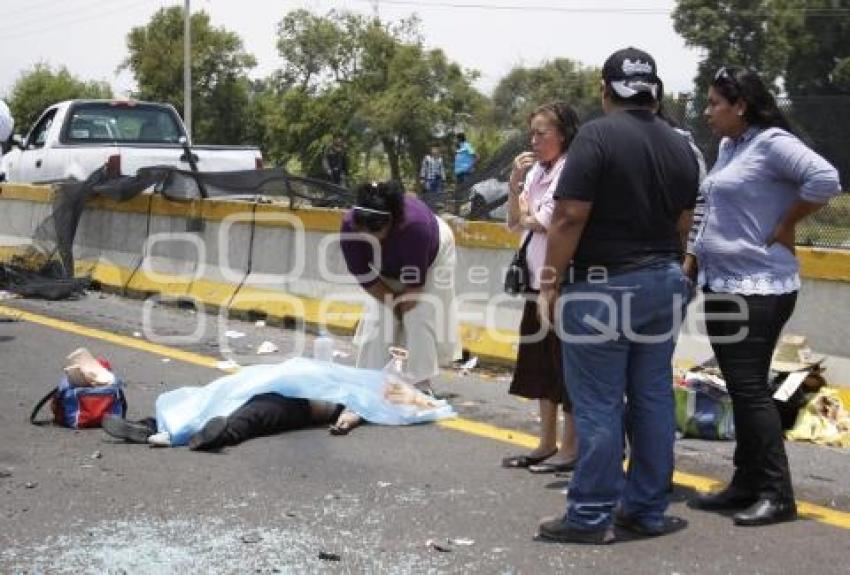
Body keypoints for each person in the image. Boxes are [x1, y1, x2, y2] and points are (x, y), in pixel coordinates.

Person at [536, 47, 699, 544]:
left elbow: (567, 217)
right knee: (651, 398)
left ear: (605, 91)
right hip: (664, 281)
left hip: (604, 287)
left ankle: (589, 517)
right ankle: (646, 510)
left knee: (599, 404)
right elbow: (684, 224)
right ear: (656, 91)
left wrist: (549, 282)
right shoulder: (681, 145)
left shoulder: (597, 136)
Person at [687, 66, 841, 526]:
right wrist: (692, 260)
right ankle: (745, 483)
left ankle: (778, 493)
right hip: (723, 281)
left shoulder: (772, 142)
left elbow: (825, 179)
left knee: (750, 389)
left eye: (716, 103)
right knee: (741, 386)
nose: (709, 111)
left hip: (758, 285)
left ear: (741, 105)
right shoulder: (730, 146)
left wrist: (788, 220)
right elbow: (708, 207)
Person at [500, 102, 580, 474]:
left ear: (562, 134)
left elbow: (548, 221)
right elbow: (515, 223)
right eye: (532, 133)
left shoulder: (571, 170)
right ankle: (546, 441)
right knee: (538, 366)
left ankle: (570, 446)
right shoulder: (536, 173)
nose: (534, 140)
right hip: (535, 281)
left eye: (541, 133)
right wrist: (516, 184)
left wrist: (528, 214)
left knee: (565, 367)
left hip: (559, 282)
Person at [339, 181, 461, 395]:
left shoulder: (415, 228)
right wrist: (392, 305)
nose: (368, 236)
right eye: (362, 231)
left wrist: (401, 307)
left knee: (418, 314)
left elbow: (413, 290)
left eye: (375, 230)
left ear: (391, 221)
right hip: (388, 262)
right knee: (380, 318)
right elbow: (367, 279)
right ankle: (370, 380)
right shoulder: (350, 227)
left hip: (433, 255)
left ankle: (419, 383)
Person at [103, 393, 360, 450]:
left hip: (301, 405)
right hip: (280, 386)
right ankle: (151, 426)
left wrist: (347, 420)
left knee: (254, 414)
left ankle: (218, 435)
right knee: (214, 399)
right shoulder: (369, 366)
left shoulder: (372, 389)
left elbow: (364, 408)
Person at [419, 144, 446, 208]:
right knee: (429, 193)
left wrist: (444, 179)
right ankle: (429, 208)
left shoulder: (440, 159)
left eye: (436, 149)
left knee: (437, 194)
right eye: (433, 149)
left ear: (438, 150)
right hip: (429, 179)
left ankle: (435, 208)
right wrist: (422, 178)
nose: (435, 150)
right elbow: (423, 168)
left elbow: (442, 169)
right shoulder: (427, 158)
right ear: (431, 150)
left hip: (437, 179)